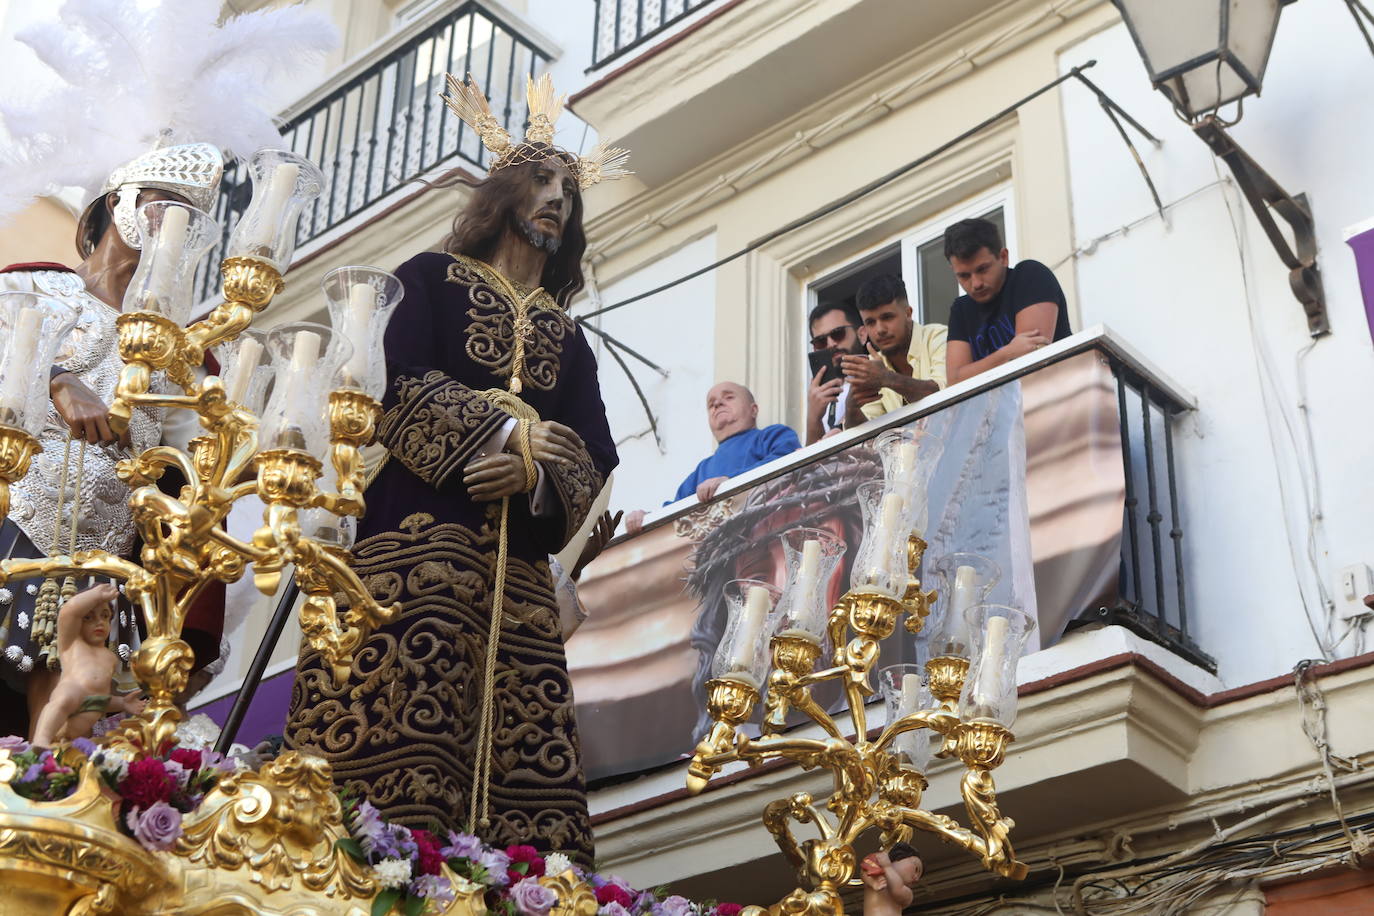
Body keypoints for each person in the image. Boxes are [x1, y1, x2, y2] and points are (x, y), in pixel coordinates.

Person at [286, 73, 628, 866]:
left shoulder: (569, 342)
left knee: (519, 757)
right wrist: (504, 438)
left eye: (568, 193)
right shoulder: (428, 280)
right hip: (413, 553)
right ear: (506, 192)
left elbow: (596, 449)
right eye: (543, 182)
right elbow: (386, 381)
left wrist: (536, 476)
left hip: (517, 583)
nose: (556, 201)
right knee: (402, 732)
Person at [0, 143, 228, 740]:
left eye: (188, 214)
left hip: (110, 557)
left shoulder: (186, 355)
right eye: (161, 205)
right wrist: (58, 380)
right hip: (15, 514)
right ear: (116, 203)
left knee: (69, 729)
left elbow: (197, 477)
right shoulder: (31, 292)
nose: (170, 225)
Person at [624, 382, 799, 534]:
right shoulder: (703, 469)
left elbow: (789, 463)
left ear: (753, 410)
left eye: (729, 397)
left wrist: (730, 483)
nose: (717, 403)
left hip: (767, 532)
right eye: (711, 404)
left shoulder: (772, 435)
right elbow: (673, 514)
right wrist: (646, 519)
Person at [943, 217, 1071, 384]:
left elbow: (1031, 355)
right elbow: (955, 380)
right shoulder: (961, 309)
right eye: (964, 276)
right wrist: (1007, 353)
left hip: (1060, 397)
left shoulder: (1029, 276)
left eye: (982, 269)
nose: (976, 284)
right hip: (1004, 409)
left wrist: (979, 369)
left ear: (1003, 257)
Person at [841, 274, 947, 427]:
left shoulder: (937, 336)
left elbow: (945, 396)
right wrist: (851, 408)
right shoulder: (872, 367)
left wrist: (887, 378)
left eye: (887, 317)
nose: (880, 330)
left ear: (908, 313)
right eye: (870, 322)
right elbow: (866, 440)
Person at [805, 300, 867, 444]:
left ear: (862, 334)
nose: (831, 344)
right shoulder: (820, 395)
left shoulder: (882, 372)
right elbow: (814, 465)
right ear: (815, 349)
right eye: (821, 341)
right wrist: (813, 418)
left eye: (838, 334)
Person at [860, 843, 925, 916]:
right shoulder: (877, 875)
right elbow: (865, 871)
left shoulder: (907, 893)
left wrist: (887, 867)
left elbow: (897, 890)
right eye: (916, 869)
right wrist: (873, 882)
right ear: (900, 857)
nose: (916, 878)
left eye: (918, 877)